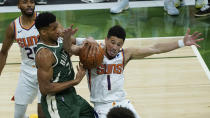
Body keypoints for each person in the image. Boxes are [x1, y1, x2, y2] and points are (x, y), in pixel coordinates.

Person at [85, 25, 203, 118]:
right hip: (102, 106)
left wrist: (181, 43)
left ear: (122, 45)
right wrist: (88, 38)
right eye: (112, 42)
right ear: (106, 40)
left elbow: (155, 48)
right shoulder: (94, 51)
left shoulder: (125, 55)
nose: (115, 47)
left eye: (119, 44)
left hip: (122, 102)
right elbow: (74, 44)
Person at [35, 12, 96, 118]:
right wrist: (75, 81)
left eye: (57, 26)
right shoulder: (44, 54)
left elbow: (72, 50)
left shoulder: (57, 39)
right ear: (44, 32)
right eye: (54, 29)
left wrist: (70, 38)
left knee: (91, 115)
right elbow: (45, 89)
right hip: (56, 101)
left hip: (71, 95)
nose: (58, 31)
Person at [0, 0, 45, 118]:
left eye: (32, 2)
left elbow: (63, 39)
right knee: (18, 115)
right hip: (27, 71)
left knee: (43, 114)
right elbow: (3, 52)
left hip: (46, 71)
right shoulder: (13, 26)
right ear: (18, 5)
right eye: (25, 2)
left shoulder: (45, 20)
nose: (29, 4)